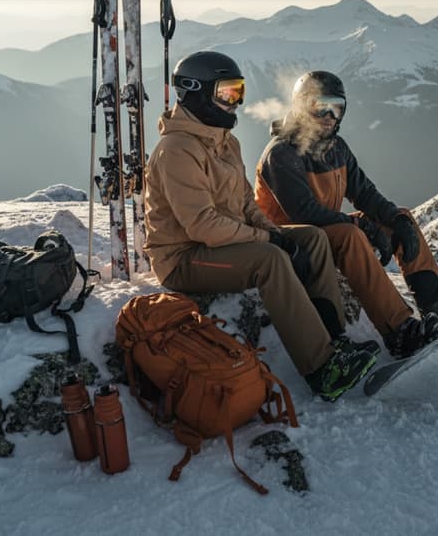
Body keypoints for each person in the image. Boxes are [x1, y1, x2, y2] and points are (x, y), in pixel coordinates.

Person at [143, 51, 378, 402]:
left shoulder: (225, 142)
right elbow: (202, 227)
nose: (234, 102)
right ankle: (322, 368)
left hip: (221, 242)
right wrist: (269, 240)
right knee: (270, 259)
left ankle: (333, 337)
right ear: (195, 91)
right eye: (226, 93)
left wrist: (278, 233)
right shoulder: (177, 150)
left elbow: (244, 204)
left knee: (311, 238)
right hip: (183, 257)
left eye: (238, 92)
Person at [255, 70, 438, 358]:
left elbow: (364, 194)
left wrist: (394, 220)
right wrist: (359, 224)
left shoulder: (336, 148)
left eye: (336, 107)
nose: (328, 115)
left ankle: (437, 303)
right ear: (301, 107)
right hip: (294, 240)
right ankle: (399, 330)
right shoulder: (282, 154)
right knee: (351, 235)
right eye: (319, 106)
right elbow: (304, 212)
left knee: (399, 217)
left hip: (328, 230)